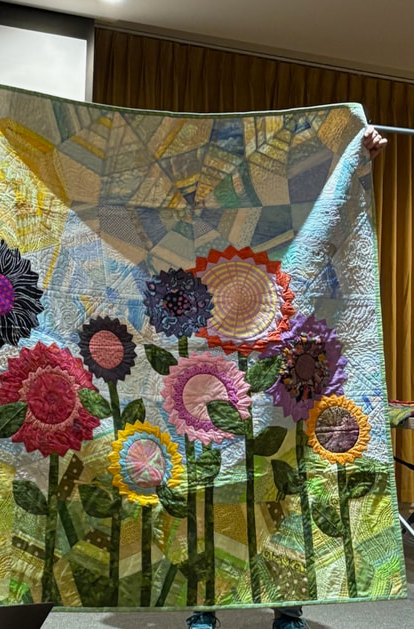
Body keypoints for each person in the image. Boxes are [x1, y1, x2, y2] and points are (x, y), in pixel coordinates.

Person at [186, 125, 388, 629]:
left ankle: (287, 605)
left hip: (291, 362)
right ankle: (205, 604)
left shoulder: (300, 203)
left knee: (287, 484)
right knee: (218, 483)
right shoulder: (214, 211)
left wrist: (356, 154)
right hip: (220, 360)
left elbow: (328, 230)